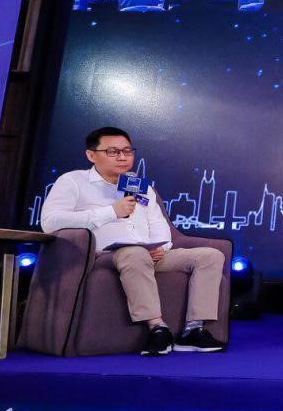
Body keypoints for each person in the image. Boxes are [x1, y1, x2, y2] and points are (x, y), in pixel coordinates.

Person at [39, 126, 227, 356]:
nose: (122, 157)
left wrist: (161, 247)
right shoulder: (73, 181)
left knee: (210, 256)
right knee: (134, 253)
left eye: (127, 151)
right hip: (103, 256)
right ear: (91, 155)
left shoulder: (139, 186)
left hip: (151, 254)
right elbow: (50, 222)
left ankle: (192, 330)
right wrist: (110, 212)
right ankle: (158, 328)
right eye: (113, 152)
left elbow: (158, 223)